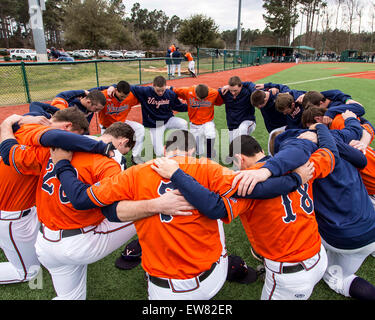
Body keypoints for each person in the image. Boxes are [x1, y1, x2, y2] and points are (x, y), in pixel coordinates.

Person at [50, 130, 312, 300]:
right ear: (193, 151)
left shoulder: (136, 172)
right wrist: (296, 179)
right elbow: (259, 189)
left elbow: (82, 200)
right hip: (211, 280)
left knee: (132, 213)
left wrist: (62, 164)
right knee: (219, 212)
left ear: (164, 150)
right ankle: (230, 263)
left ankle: (136, 248)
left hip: (164, 290)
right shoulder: (208, 168)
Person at [1, 118, 193, 300]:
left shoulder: (58, 145)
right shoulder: (112, 160)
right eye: (126, 150)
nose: (124, 154)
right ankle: (163, 269)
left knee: (71, 297)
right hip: (79, 241)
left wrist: (9, 123)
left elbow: (10, 154)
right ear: (123, 142)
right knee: (153, 210)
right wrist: (156, 204)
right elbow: (106, 206)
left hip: (45, 242)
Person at [152, 125, 338, 300]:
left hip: (290, 272)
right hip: (319, 256)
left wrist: (177, 174)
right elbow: (330, 154)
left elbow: (215, 207)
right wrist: (319, 128)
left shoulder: (246, 181)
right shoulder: (303, 164)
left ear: (240, 159)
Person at [257, 111, 375, 300]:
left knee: (334, 275)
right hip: (370, 222)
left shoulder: (305, 162)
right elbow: (361, 156)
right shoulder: (337, 137)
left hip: (343, 238)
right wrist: (322, 129)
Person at [0, 108, 101, 285]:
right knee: (29, 273)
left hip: (19, 206)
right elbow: (12, 156)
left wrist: (8, 122)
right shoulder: (48, 145)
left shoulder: (29, 125)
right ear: (68, 127)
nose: (74, 143)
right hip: (11, 215)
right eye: (75, 137)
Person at [130, 76, 188, 158]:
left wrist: (191, 107)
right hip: (156, 124)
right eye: (158, 90)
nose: (160, 93)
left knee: (183, 123)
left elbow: (178, 106)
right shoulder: (145, 91)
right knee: (159, 153)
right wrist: (113, 87)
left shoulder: (170, 94)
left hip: (168, 120)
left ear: (166, 86)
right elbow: (128, 86)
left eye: (163, 90)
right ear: (153, 86)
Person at [93, 80, 145, 165]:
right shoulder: (105, 95)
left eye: (125, 96)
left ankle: (136, 157)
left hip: (122, 125)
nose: (123, 99)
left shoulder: (131, 96)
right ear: (116, 90)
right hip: (107, 128)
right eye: (121, 96)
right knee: (106, 153)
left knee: (139, 128)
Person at [171, 84, 223, 158]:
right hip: (194, 124)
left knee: (210, 133)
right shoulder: (188, 91)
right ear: (195, 92)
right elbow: (173, 90)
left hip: (208, 122)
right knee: (198, 151)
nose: (201, 100)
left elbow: (220, 101)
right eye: (199, 98)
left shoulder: (213, 93)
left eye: (204, 98)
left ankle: (210, 152)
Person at [218, 76, 257, 144]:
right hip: (232, 125)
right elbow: (210, 93)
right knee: (234, 148)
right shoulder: (225, 92)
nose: (233, 93)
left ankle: (247, 142)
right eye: (231, 90)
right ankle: (250, 141)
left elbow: (253, 86)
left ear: (241, 86)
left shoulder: (247, 92)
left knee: (242, 130)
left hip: (248, 121)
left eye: (235, 90)